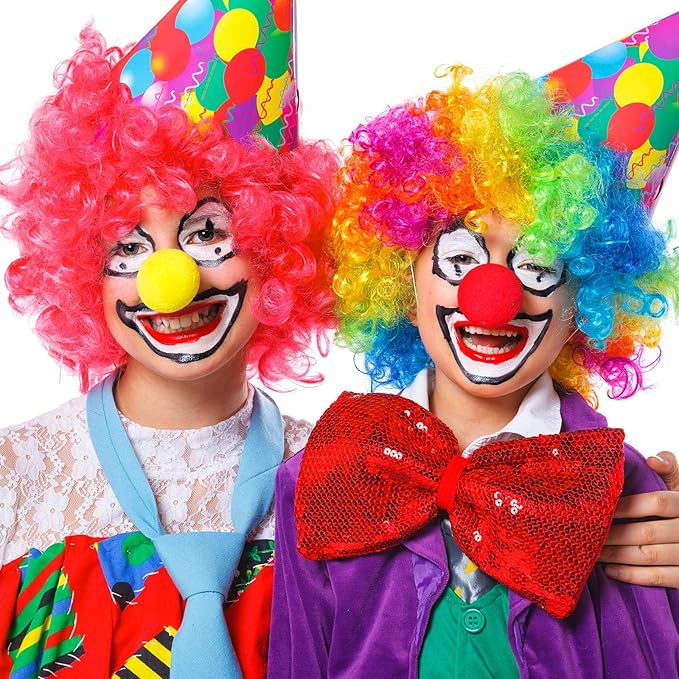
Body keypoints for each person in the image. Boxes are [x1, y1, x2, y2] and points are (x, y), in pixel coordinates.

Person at [269, 15, 679, 676]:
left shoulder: (622, 489)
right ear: (400, 275)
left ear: (588, 303)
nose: (494, 294)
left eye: (537, 264)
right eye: (460, 258)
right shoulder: (327, 472)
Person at [0, 1, 336, 677]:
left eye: (207, 233)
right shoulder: (13, 477)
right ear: (82, 268)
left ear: (277, 244)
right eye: (128, 245)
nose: (169, 282)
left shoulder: (342, 478)